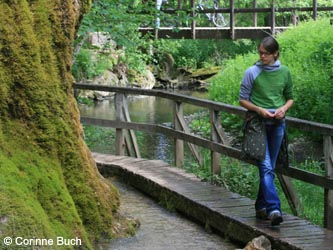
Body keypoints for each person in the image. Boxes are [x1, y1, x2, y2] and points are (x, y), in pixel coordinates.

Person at [239, 36, 294, 226]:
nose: (261, 56)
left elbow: (290, 97)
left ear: (275, 54)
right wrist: (259, 110)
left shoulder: (285, 72)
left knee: (270, 167)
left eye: (265, 53)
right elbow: (242, 99)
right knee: (266, 166)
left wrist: (283, 109)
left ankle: (260, 206)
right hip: (257, 123)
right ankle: (274, 208)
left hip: (278, 124)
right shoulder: (251, 72)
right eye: (260, 53)